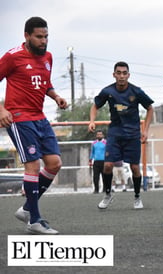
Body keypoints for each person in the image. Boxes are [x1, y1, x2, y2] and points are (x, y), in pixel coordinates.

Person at [0, 17, 68, 234]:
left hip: (39, 117)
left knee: (54, 163)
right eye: (39, 37)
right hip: (19, 118)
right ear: (27, 36)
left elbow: (44, 82)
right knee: (33, 166)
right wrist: (1, 110)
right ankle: (34, 220)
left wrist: (55, 96)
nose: (44, 41)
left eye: (46, 36)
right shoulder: (12, 57)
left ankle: (27, 208)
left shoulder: (47, 57)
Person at [89, 61, 153, 209]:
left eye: (125, 73)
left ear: (128, 75)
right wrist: (92, 121)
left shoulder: (136, 91)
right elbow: (95, 105)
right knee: (107, 166)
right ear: (114, 75)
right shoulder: (108, 91)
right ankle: (107, 195)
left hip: (132, 135)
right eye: (119, 73)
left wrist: (145, 130)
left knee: (135, 168)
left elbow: (150, 108)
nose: (122, 76)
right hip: (114, 134)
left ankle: (137, 197)